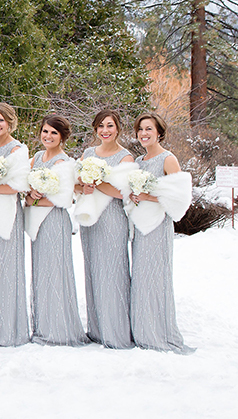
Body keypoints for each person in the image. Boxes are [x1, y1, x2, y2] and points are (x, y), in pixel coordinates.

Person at [130, 113, 191, 353]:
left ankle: (158, 332)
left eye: (149, 129)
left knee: (156, 277)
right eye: (140, 130)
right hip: (140, 227)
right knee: (142, 278)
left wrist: (147, 196)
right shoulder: (139, 160)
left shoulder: (168, 159)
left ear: (159, 132)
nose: (144, 134)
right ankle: (142, 329)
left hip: (158, 227)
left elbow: (180, 198)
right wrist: (135, 196)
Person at [25, 115, 86, 346]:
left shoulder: (64, 163)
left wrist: (32, 202)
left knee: (55, 272)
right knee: (41, 273)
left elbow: (62, 199)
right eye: (45, 131)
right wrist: (30, 195)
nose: (48, 136)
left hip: (54, 222)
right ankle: (42, 325)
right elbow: (27, 189)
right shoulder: (37, 158)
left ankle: (58, 329)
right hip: (37, 224)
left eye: (53, 133)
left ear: (62, 137)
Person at [75, 109, 134, 349]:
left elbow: (124, 192)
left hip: (112, 218)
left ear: (118, 128)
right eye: (100, 126)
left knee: (113, 271)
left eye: (109, 126)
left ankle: (116, 331)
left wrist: (99, 182)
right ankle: (97, 329)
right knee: (93, 269)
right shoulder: (89, 153)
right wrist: (84, 186)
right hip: (90, 219)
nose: (105, 131)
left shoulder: (125, 158)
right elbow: (77, 185)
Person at [0, 102, 30, 347]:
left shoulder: (17, 150)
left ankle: (9, 329)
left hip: (8, 212)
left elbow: (19, 185)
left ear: (10, 121)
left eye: (1, 120)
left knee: (6, 267)